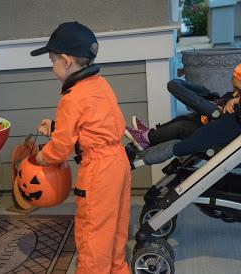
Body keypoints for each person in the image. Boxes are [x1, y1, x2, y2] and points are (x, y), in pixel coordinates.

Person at [31, 22, 131, 274]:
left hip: (97, 169)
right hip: (118, 161)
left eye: (52, 60)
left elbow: (62, 148)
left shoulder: (71, 97)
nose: (52, 66)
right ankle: (118, 269)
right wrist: (55, 126)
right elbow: (94, 126)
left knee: (92, 233)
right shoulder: (99, 84)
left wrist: (44, 157)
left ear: (65, 61)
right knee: (115, 227)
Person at [125, 63, 241, 151]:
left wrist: (238, 100)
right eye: (234, 88)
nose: (234, 94)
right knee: (183, 118)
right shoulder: (232, 96)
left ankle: (146, 138)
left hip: (216, 132)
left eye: (239, 90)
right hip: (209, 119)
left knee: (181, 126)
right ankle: (149, 134)